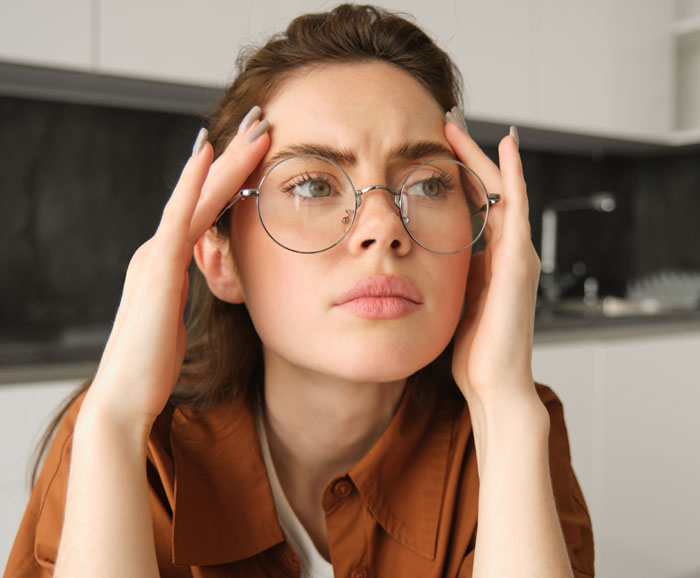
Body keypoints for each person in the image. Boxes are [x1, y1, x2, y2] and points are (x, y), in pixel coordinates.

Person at [5, 4, 594, 577]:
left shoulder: (514, 422)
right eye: (313, 184)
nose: (385, 226)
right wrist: (113, 422)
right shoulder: (127, 438)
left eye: (430, 183)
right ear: (219, 257)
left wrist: (504, 411)